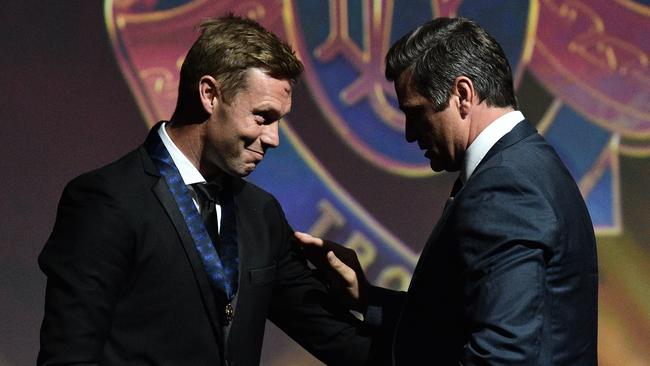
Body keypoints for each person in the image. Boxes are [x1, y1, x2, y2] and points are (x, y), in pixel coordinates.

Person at [38, 15, 372, 366]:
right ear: (210, 94)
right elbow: (69, 357)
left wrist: (404, 321)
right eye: (262, 117)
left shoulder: (261, 214)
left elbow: (340, 339)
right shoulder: (107, 201)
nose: (274, 139)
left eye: (279, 122)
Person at [297, 17, 598, 365]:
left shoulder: (507, 186)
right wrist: (367, 298)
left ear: (463, 94)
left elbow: (503, 355)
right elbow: (467, 323)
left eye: (417, 113)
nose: (411, 134)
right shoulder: (525, 165)